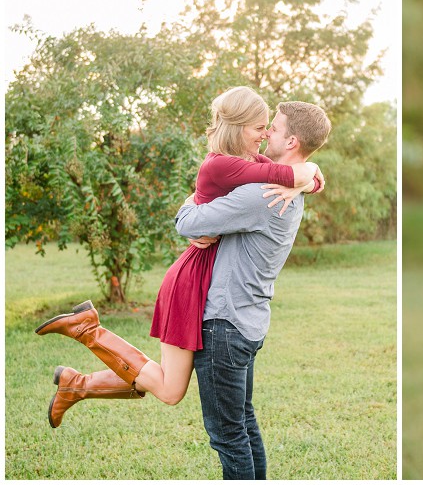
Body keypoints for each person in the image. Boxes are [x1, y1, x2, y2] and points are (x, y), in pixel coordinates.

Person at [35, 86, 323, 427]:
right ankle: (87, 333)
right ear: (238, 126)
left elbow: (308, 174)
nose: (265, 134)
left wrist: (306, 179)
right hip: (192, 278)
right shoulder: (223, 166)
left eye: (270, 127)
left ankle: (77, 383)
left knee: (170, 385)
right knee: (171, 389)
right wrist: (299, 177)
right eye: (260, 127)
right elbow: (192, 218)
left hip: (202, 275)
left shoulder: (251, 163)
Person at [174, 100, 331, 479]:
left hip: (224, 325)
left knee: (228, 436)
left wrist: (190, 203)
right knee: (243, 424)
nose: (265, 133)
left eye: (273, 129)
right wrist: (308, 178)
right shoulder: (285, 190)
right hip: (249, 321)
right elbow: (307, 175)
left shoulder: (261, 195)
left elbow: (188, 222)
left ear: (291, 140)